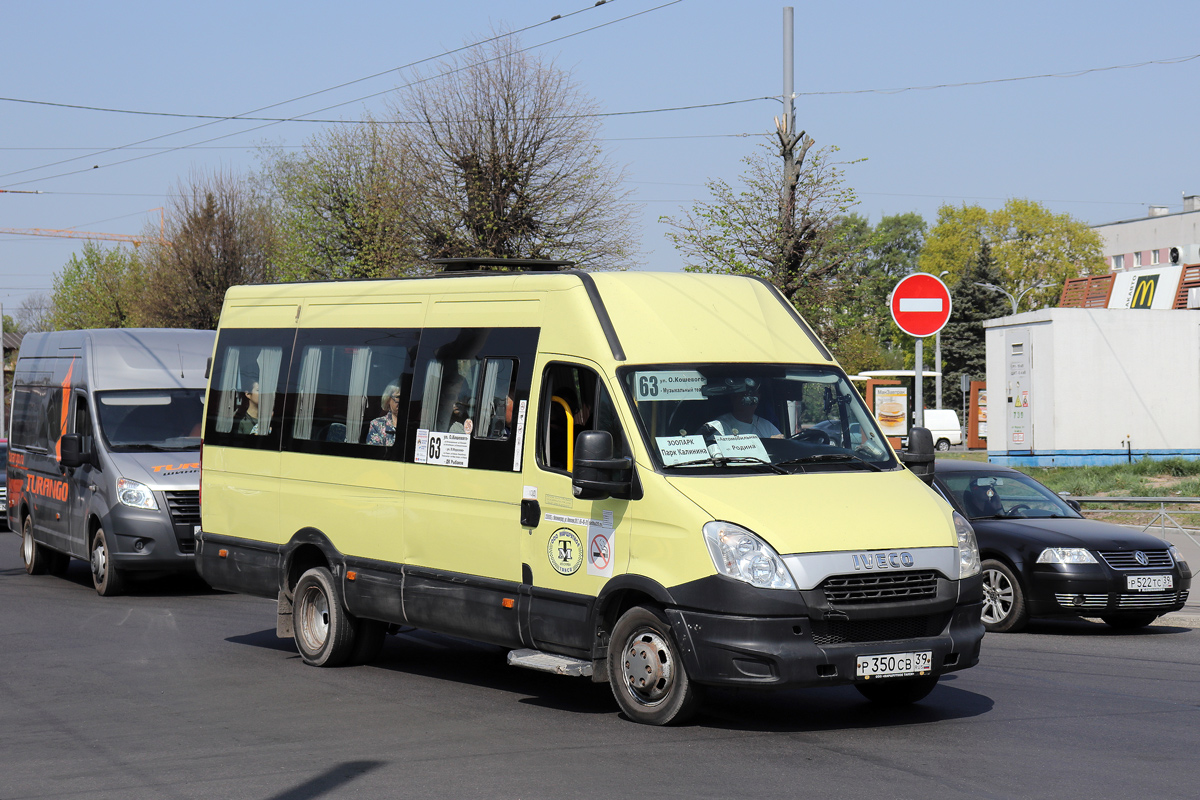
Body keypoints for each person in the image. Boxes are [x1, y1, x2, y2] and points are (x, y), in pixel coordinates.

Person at [705, 381, 782, 439]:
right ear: (733, 397)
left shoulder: (766, 426)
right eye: (744, 395)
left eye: (753, 396)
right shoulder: (720, 426)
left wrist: (775, 443)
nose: (750, 400)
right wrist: (767, 444)